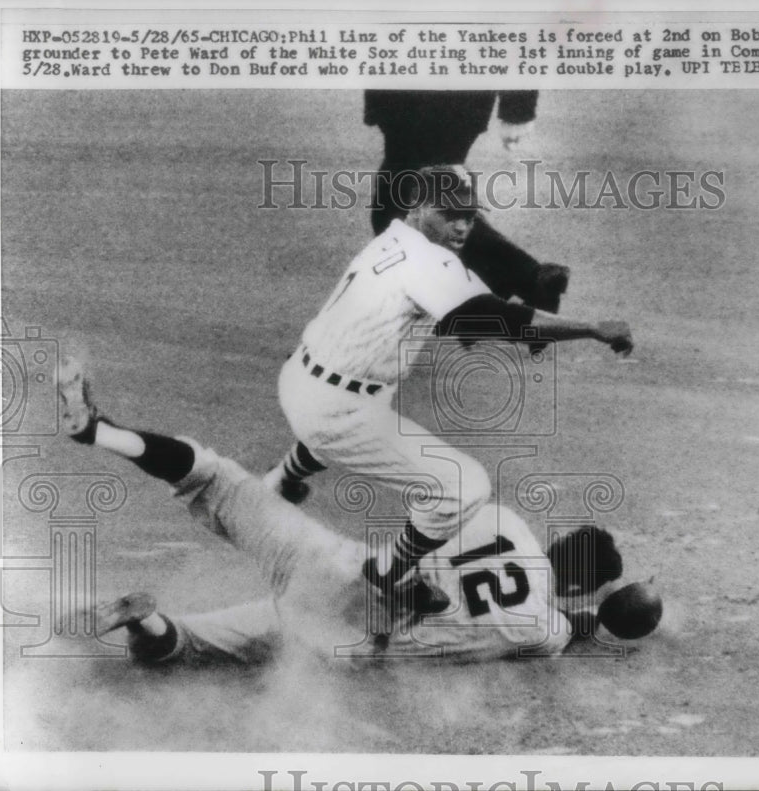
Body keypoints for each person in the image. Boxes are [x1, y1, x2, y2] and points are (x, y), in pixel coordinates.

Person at [59, 358, 662, 664]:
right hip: (344, 637)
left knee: (215, 477)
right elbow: (601, 624)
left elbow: (430, 519)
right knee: (191, 647)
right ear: (580, 586)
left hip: (335, 566)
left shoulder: (506, 522)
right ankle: (148, 623)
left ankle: (103, 434)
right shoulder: (545, 628)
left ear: (558, 548)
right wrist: (610, 607)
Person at [262, 165, 635, 608]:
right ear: (419, 208)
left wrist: (525, 315)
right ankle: (389, 574)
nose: (462, 225)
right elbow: (499, 321)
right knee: (463, 487)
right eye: (451, 213)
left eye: (471, 216)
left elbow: (482, 310)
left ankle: (284, 480)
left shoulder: (394, 238)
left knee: (374, 409)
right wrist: (592, 328)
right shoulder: (429, 262)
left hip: (304, 377)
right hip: (333, 410)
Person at [364, 90, 570, 312]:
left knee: (404, 200)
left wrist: (518, 108)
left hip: (438, 95)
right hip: (420, 92)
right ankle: (523, 281)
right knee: (401, 198)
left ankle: (528, 279)